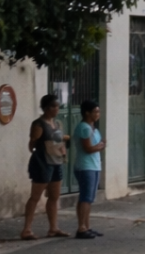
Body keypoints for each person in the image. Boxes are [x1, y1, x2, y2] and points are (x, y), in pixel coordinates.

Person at [20, 94, 70, 239]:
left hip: (57, 162)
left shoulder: (58, 124)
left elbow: (60, 140)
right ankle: (27, 229)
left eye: (57, 106)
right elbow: (32, 144)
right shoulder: (39, 124)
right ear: (46, 108)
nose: (57, 109)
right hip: (43, 163)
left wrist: (62, 151)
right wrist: (38, 155)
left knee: (54, 196)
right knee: (35, 196)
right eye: (54, 106)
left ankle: (53, 228)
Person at [73, 100, 106, 240]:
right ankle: (81, 227)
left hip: (93, 165)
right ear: (87, 113)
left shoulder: (93, 128)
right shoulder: (84, 128)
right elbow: (88, 148)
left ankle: (86, 226)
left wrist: (100, 145)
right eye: (95, 111)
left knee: (88, 198)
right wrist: (100, 146)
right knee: (86, 197)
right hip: (86, 166)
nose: (98, 114)